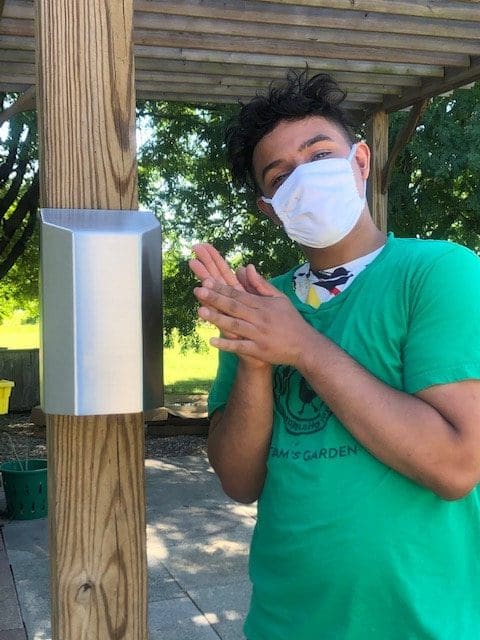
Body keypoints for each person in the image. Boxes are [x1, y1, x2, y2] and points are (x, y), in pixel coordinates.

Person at [189, 71, 480, 640]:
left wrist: (300, 346)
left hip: (425, 624)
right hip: (284, 622)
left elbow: (455, 466)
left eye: (320, 154)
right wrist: (256, 356)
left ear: (361, 162)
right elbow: (239, 481)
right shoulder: (259, 305)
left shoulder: (441, 273)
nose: (305, 177)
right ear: (270, 207)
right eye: (281, 175)